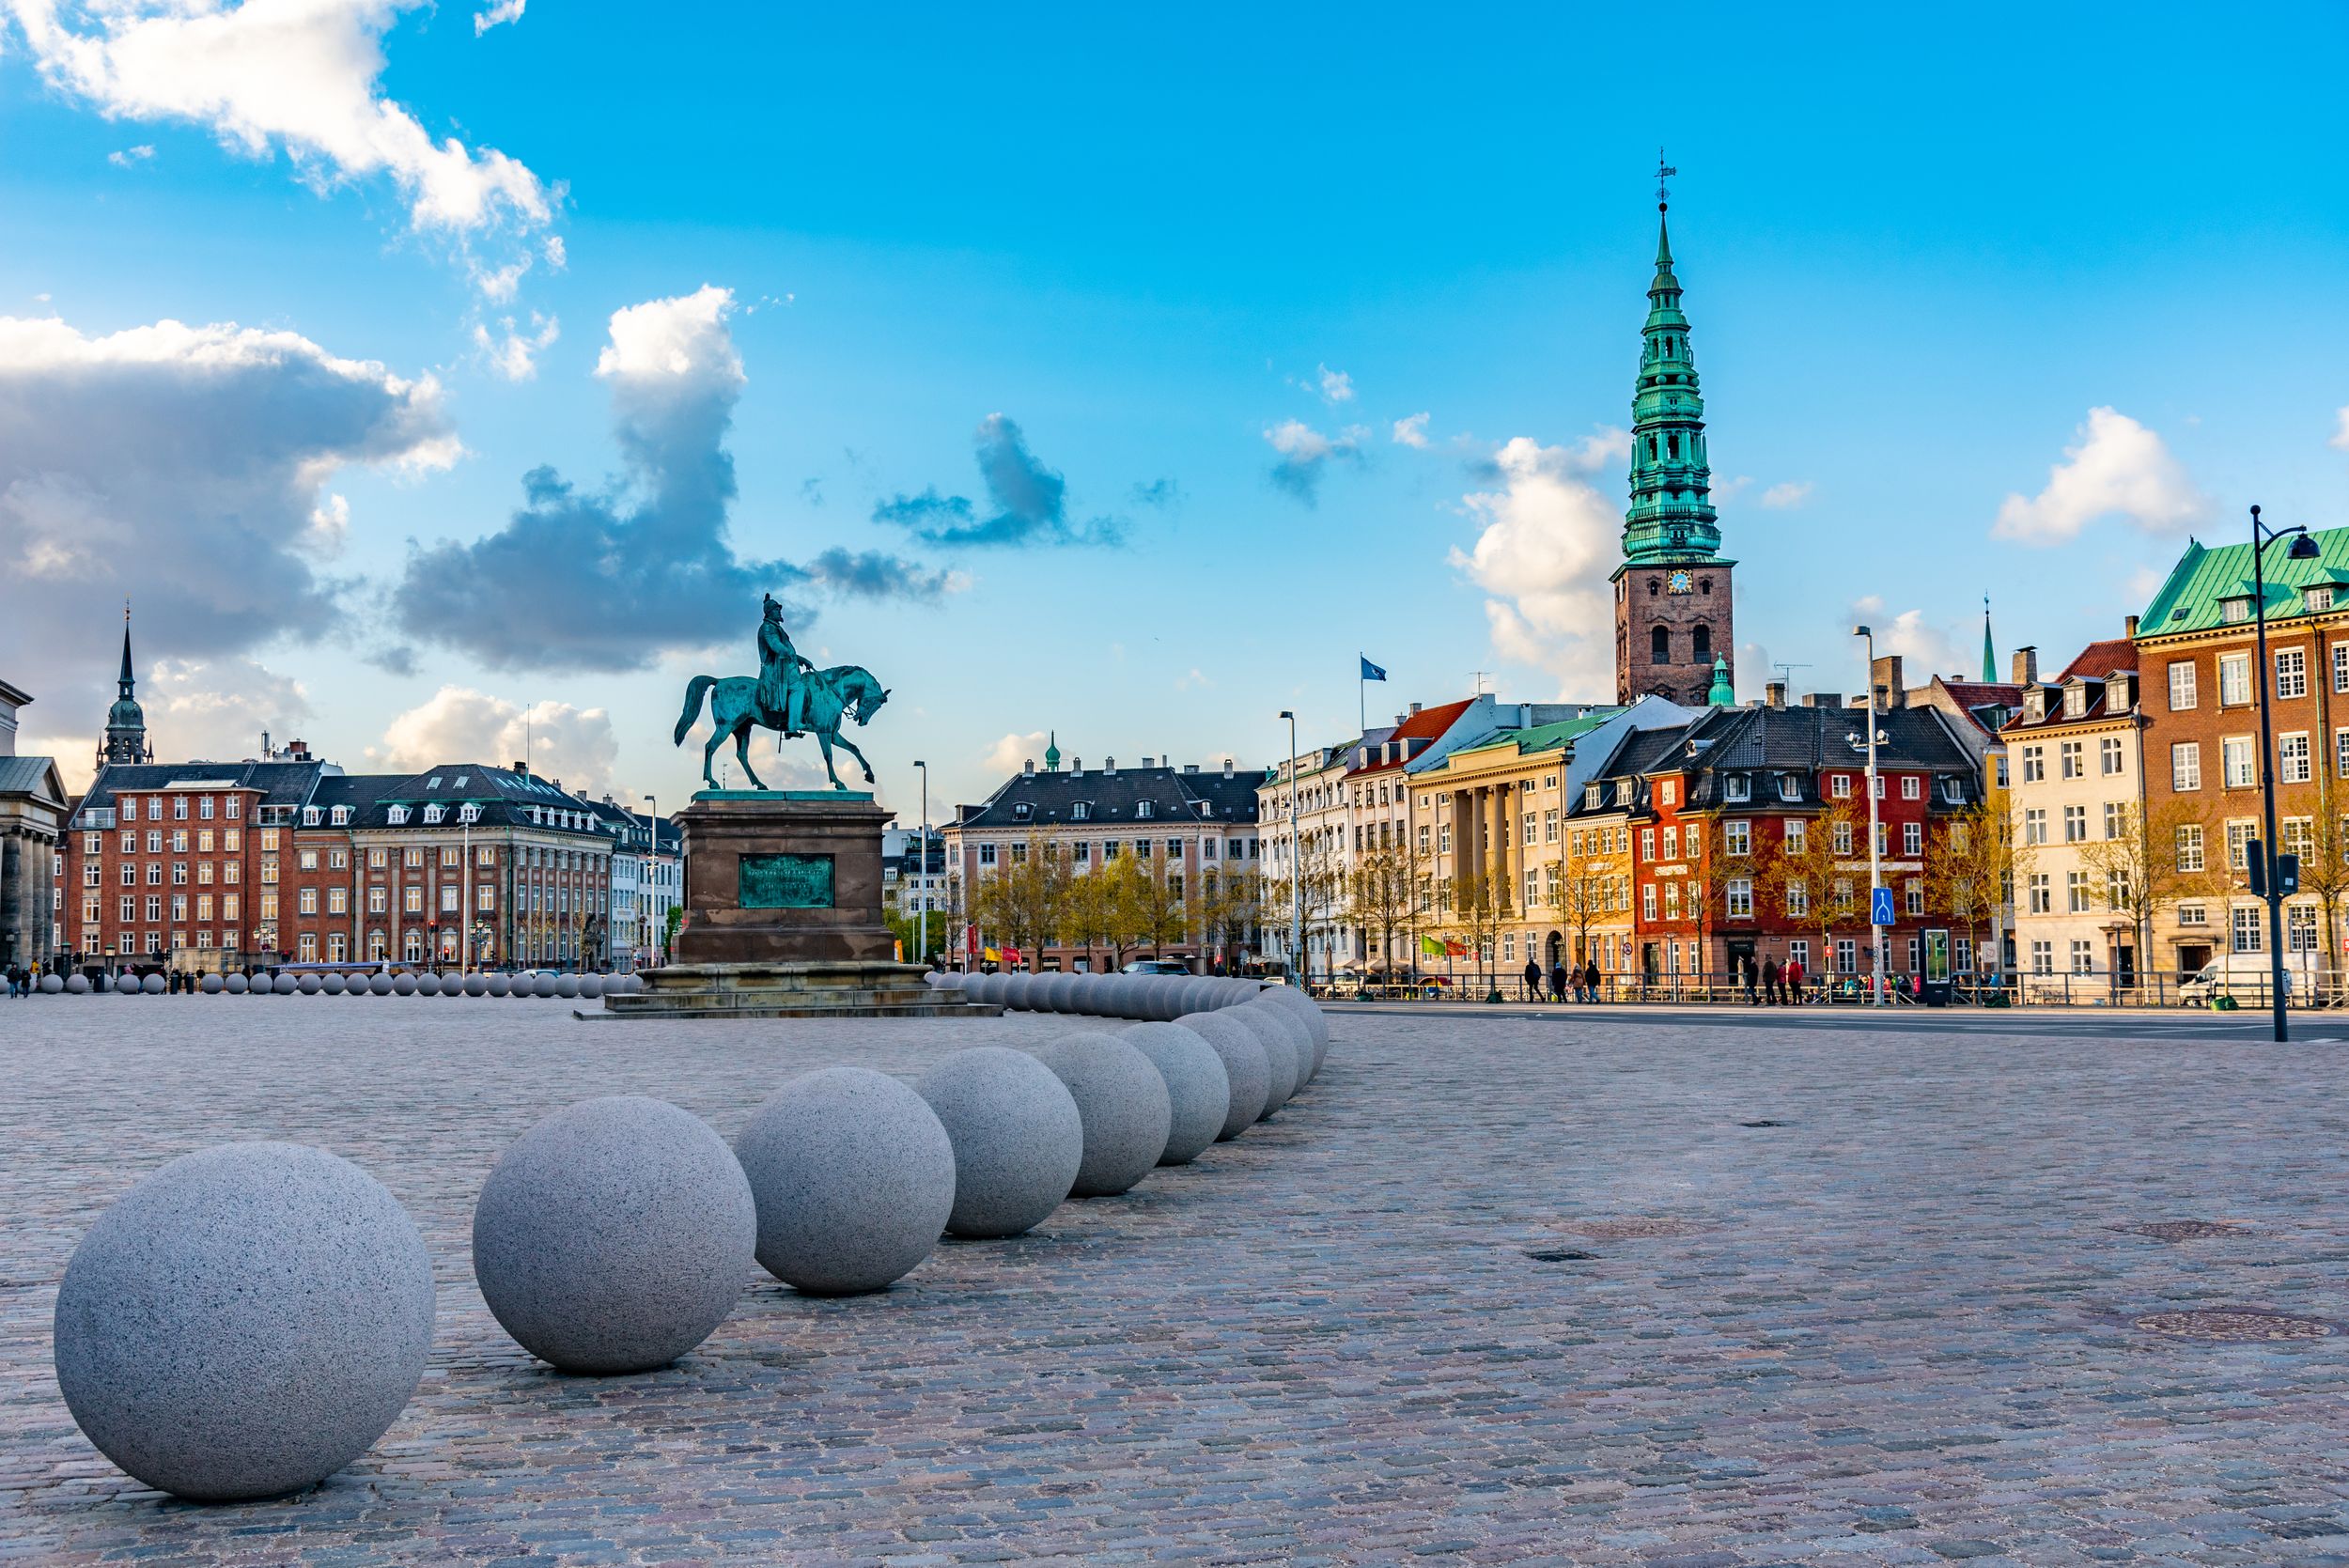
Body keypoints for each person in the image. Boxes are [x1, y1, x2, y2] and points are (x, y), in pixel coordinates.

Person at [754, 592, 817, 738]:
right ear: (770, 612)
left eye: (779, 609)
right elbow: (776, 646)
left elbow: (785, 648)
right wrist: (790, 654)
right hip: (775, 669)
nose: (779, 611)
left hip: (782, 666)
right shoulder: (768, 628)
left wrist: (800, 659)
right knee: (798, 687)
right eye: (776, 609)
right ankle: (793, 724)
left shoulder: (776, 627)